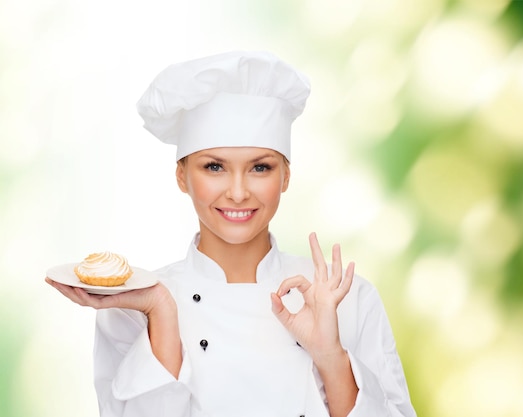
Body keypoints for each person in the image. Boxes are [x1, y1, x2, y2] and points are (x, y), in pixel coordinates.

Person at [46, 51, 417, 417]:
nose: (238, 192)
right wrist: (161, 311)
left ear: (285, 176)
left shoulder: (348, 300)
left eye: (260, 167)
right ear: (181, 176)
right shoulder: (132, 308)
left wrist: (330, 356)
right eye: (214, 167)